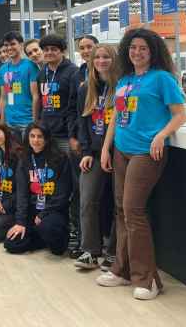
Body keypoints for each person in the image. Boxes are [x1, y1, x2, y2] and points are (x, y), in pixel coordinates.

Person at [97, 28, 186, 300]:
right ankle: (122, 270)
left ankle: (148, 280)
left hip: (146, 152)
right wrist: (106, 148)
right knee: (121, 212)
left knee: (133, 211)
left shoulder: (162, 79)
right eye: (133, 48)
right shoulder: (124, 80)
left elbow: (180, 115)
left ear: (153, 52)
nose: (137, 52)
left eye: (143, 48)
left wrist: (161, 135)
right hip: (121, 150)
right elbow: (115, 117)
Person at [34, 34, 81, 255]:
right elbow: (42, 103)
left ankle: (75, 232)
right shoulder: (43, 72)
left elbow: (74, 106)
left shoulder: (71, 72)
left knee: (72, 186)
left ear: (62, 50)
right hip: (47, 135)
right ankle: (53, 225)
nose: (49, 53)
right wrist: (38, 126)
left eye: (54, 49)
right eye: (46, 49)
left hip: (64, 138)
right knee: (53, 181)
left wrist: (73, 135)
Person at [74, 44, 118, 271]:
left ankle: (113, 253)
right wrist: (86, 152)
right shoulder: (85, 89)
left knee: (118, 204)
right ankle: (90, 250)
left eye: (106, 57)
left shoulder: (121, 87)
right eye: (97, 57)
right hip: (93, 152)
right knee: (87, 199)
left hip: (118, 152)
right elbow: (82, 122)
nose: (101, 61)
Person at [4, 123, 72, 256]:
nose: (35, 140)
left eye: (40, 137)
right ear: (28, 138)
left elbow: (63, 194)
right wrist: (20, 222)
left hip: (53, 211)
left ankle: (51, 236)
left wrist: (43, 214)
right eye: (32, 136)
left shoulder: (60, 159)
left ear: (46, 139)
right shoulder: (24, 160)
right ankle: (41, 239)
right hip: (33, 210)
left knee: (54, 242)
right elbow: (22, 195)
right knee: (11, 244)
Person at [0, 31, 40, 139]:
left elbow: (35, 96)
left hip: (27, 122)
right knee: (12, 155)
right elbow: (3, 98)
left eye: (12, 44)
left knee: (27, 155)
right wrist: (3, 122)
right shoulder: (2, 69)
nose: (9, 48)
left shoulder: (30, 66)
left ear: (21, 45)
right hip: (9, 122)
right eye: (6, 45)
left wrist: (35, 122)